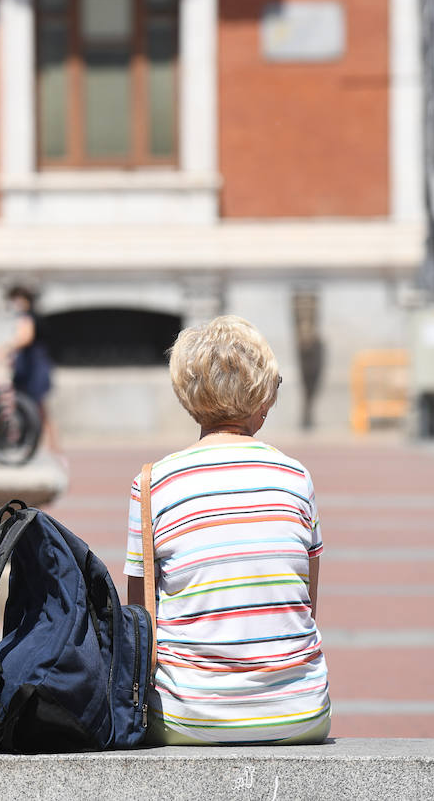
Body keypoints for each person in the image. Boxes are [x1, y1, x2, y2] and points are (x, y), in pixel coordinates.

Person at [124, 315, 329, 745]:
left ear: (186, 393)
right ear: (263, 398)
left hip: (189, 714)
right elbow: (310, 602)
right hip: (301, 708)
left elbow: (139, 619)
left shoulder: (153, 484)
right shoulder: (296, 477)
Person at [0, 285, 58, 456]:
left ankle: (48, 447)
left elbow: (25, 338)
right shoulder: (35, 317)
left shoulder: (27, 317)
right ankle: (49, 447)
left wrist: (3, 349)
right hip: (35, 366)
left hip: (33, 369)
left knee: (36, 408)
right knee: (38, 409)